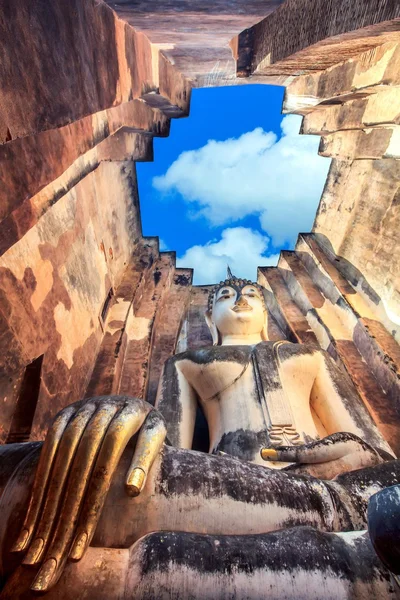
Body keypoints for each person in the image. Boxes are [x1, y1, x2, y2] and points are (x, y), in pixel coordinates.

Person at [1, 276, 399, 598]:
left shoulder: (309, 356)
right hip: (230, 481)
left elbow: (375, 449)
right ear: (211, 317)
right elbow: (169, 448)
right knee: (90, 472)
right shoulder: (190, 362)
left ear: (266, 311)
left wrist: (360, 451)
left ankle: (105, 580)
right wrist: (140, 417)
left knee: (377, 505)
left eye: (250, 296)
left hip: (347, 488)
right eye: (226, 295)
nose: (239, 301)